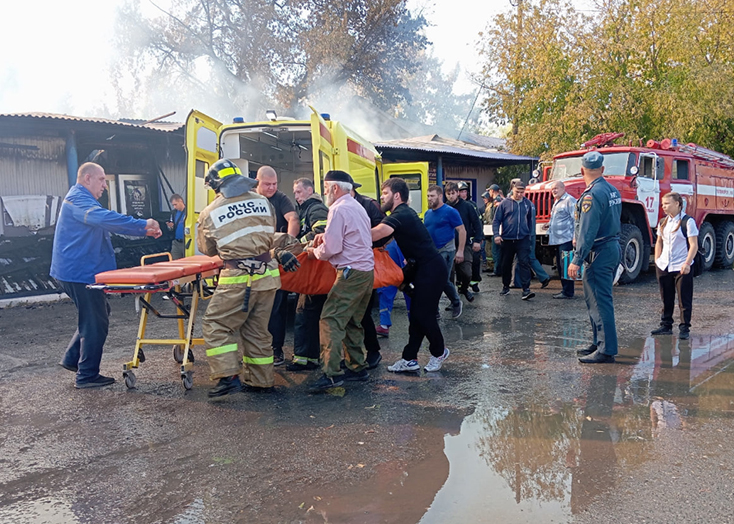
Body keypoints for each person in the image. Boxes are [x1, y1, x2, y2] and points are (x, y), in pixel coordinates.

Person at [52, 162, 162, 388]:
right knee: (95, 321)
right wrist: (143, 224)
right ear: (87, 178)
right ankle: (86, 376)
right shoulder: (79, 201)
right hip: (79, 273)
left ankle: (73, 359)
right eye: (101, 180)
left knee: (96, 315)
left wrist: (142, 229)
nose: (105, 184)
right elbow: (106, 219)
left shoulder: (82, 199)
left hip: (79, 271)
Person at [197, 159, 300, 397]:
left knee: (216, 325)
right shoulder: (263, 201)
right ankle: (261, 381)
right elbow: (267, 234)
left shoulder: (210, 212)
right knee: (257, 330)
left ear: (216, 185)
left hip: (238, 279)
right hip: (268, 276)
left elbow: (208, 249)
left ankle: (228, 376)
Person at [372, 178, 450, 373]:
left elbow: (378, 233)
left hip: (431, 269)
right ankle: (409, 358)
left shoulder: (402, 213)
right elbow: (382, 240)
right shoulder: (401, 214)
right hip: (422, 269)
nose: (382, 197)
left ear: (397, 195)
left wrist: (347, 232)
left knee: (424, 315)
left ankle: (439, 351)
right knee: (416, 316)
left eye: (385, 193)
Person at [306, 170, 375, 391]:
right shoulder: (357, 207)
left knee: (330, 320)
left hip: (349, 272)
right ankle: (357, 367)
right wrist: (325, 237)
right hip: (365, 272)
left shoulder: (337, 209)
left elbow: (333, 248)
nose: (324, 192)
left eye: (326, 188)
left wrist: (314, 251)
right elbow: (351, 236)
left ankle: (332, 374)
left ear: (335, 188)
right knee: (353, 320)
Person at [570, 151, 622, 364]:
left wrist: (577, 259)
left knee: (600, 302)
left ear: (582, 170)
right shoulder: (611, 190)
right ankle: (598, 342)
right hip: (610, 247)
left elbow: (588, 231)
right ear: (602, 169)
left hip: (599, 251)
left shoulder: (592, 195)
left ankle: (606, 350)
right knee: (596, 301)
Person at [256, 165, 299, 366]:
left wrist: (288, 242)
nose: (272, 188)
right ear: (258, 182)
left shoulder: (280, 198)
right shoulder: (249, 199)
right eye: (267, 184)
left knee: (276, 307)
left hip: (275, 258)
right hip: (252, 258)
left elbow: (292, 218)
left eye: (274, 184)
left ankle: (276, 350)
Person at [287, 178, 329, 372]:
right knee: (308, 313)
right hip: (315, 270)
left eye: (299, 192)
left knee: (305, 312)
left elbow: (321, 231)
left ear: (310, 190)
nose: (296, 196)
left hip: (317, 270)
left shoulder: (315, 208)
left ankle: (305, 358)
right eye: (295, 193)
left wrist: (296, 245)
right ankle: (309, 356)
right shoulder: (307, 209)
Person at [651, 192, 698, 340]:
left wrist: (687, 263)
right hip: (664, 265)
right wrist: (658, 260)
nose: (664, 207)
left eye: (667, 204)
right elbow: (659, 241)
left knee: (684, 299)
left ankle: (684, 328)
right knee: (666, 297)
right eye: (663, 204)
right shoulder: (663, 222)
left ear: (677, 204)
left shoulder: (687, 222)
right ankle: (666, 325)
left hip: (681, 266)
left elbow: (693, 245)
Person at [351, 179, 386, 369]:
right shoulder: (339, 206)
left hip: (367, 262)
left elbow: (385, 230)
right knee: (351, 315)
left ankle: (373, 351)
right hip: (349, 265)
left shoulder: (369, 205)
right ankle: (351, 355)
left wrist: (366, 243)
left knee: (363, 313)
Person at [424, 184, 465, 319]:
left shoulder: (450, 211)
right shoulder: (428, 213)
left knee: (439, 279)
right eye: (428, 196)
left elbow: (462, 230)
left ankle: (453, 303)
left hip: (446, 250)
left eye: (432, 196)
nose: (430, 199)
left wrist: (460, 251)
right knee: (435, 279)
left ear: (440, 196)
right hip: (432, 252)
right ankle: (446, 305)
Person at [492, 180, 535, 300]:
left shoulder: (528, 204)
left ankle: (526, 289)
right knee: (506, 264)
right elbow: (496, 221)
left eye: (522, 192)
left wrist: (530, 236)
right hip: (507, 239)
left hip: (523, 238)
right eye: (517, 192)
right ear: (512, 190)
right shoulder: (504, 203)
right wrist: (496, 234)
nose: (519, 194)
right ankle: (505, 286)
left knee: (524, 263)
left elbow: (531, 221)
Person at [446, 181, 483, 302]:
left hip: (465, 244)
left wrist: (478, 240)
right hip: (448, 246)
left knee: (467, 273)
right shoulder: (445, 207)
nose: (451, 196)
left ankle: (464, 288)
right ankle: (454, 300)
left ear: (457, 193)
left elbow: (477, 224)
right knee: (449, 275)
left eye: (453, 193)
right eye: (448, 193)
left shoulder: (467, 206)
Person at [546, 181, 577, 299]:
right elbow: (560, 218)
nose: (554, 191)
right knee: (560, 266)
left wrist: (575, 237)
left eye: (556, 188)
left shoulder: (569, 200)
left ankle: (568, 292)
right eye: (552, 189)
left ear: (563, 188)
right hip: (557, 240)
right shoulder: (557, 202)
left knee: (566, 266)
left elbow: (576, 220)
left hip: (566, 239)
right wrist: (549, 224)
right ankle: (565, 289)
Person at [376, 239, 411, 337]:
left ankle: (415, 324)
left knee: (409, 286)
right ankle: (384, 324)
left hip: (403, 242)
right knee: (386, 285)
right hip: (391, 243)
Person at [458, 181, 484, 293]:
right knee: (459, 263)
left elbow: (478, 223)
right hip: (458, 239)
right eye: (461, 191)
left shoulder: (472, 205)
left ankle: (474, 282)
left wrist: (478, 239)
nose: (463, 194)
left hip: (472, 239)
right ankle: (460, 284)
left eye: (465, 191)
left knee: (475, 261)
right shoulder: (454, 206)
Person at [484, 184, 503, 276]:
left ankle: (497, 270)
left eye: (489, 191)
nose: (488, 193)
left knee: (496, 251)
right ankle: (497, 269)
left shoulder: (497, 201)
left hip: (496, 230)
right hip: (497, 230)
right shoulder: (499, 200)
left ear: (492, 191)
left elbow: (496, 217)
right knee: (496, 251)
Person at [166, 194, 187, 259]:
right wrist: (170, 226)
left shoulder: (188, 211)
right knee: (174, 262)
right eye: (173, 205)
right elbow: (171, 228)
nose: (174, 207)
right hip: (176, 242)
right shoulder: (173, 213)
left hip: (186, 242)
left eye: (175, 204)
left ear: (181, 201)